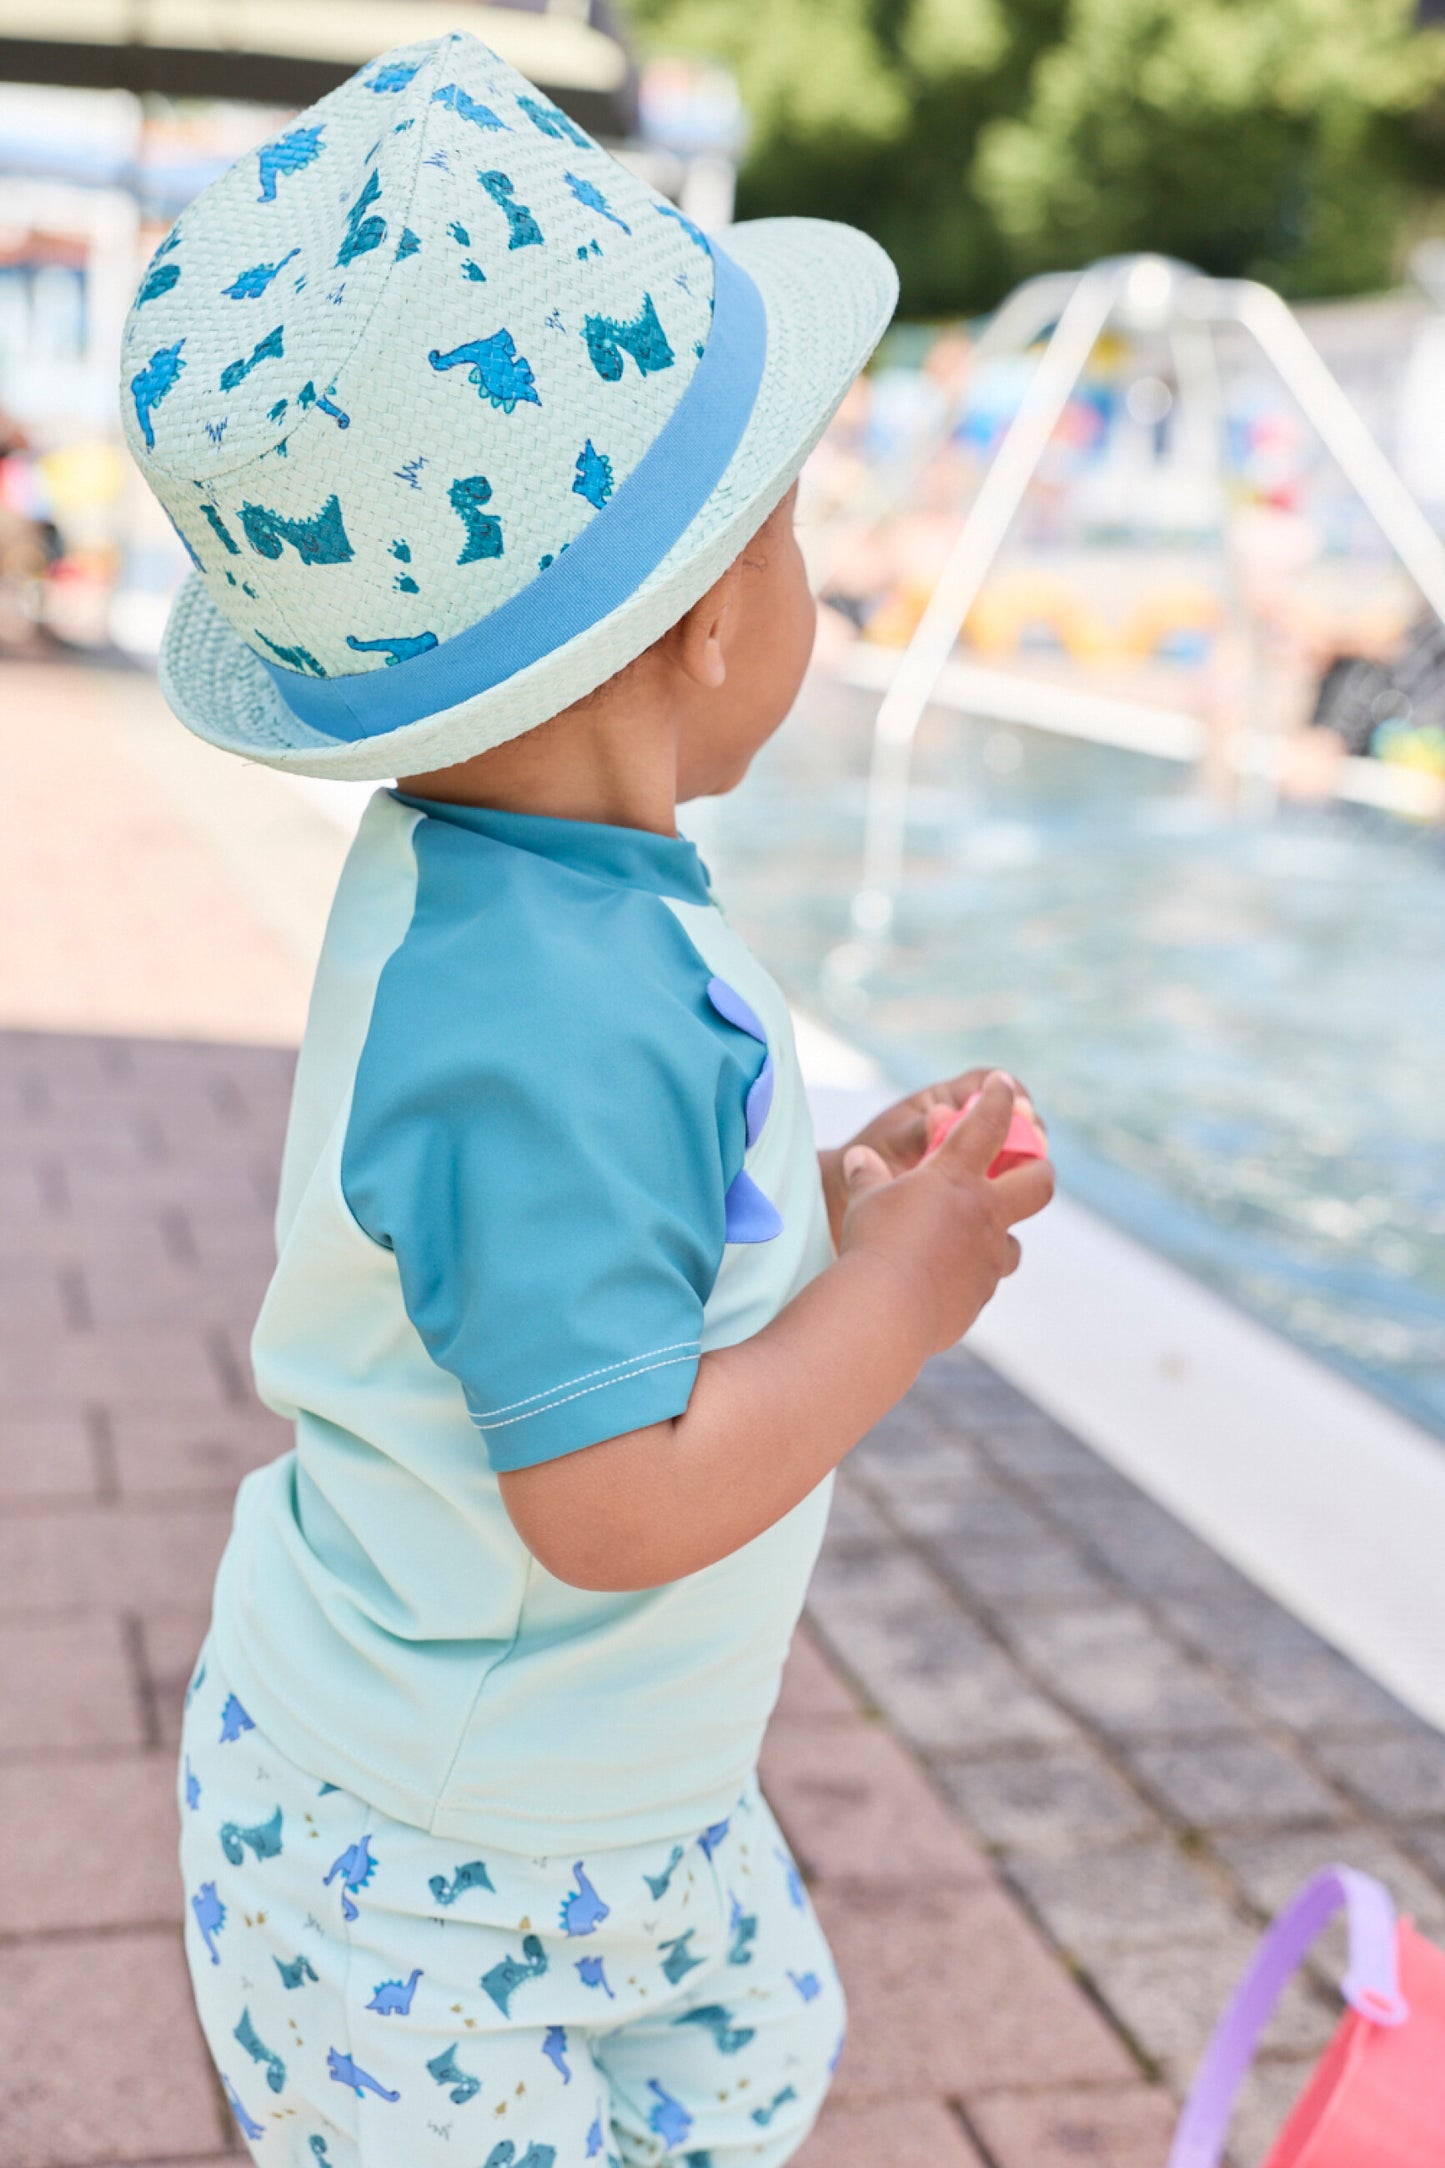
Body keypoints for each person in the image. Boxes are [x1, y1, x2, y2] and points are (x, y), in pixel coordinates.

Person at [121, 33, 1053, 2165]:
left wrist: (822, 1207)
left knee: (735, 2072)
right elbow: (606, 1498)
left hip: (570, 1771)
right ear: (709, 623)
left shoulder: (540, 888)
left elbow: (609, 1259)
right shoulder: (536, 1004)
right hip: (436, 1861)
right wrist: (895, 1304)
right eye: (796, 528)